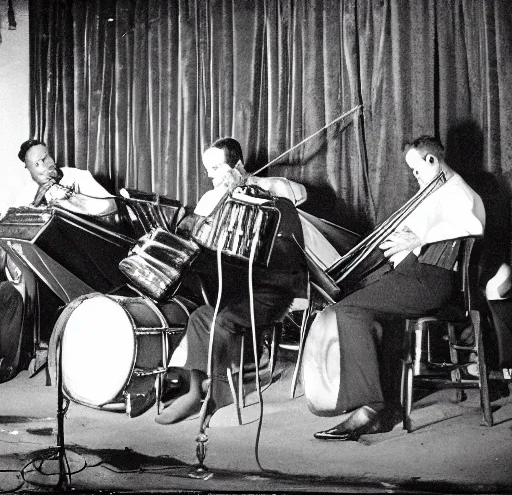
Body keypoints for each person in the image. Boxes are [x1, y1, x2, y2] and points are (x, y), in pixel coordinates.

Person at [313, 135, 486, 441]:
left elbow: (475, 227)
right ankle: (386, 407)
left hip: (428, 280)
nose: (415, 176)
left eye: (417, 169)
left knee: (347, 310)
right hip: (418, 275)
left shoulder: (458, 191)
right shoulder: (440, 189)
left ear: (432, 160)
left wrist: (420, 240)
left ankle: (372, 406)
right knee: (364, 312)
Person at [155, 137, 308, 424]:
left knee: (222, 321)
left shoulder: (270, 192)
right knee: (201, 316)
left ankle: (217, 395)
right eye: (207, 169)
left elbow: (299, 193)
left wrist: (250, 183)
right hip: (235, 285)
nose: (210, 175)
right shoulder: (211, 200)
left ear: (236, 165)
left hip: (272, 290)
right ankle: (194, 390)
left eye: (216, 168)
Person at [13, 139, 117, 217]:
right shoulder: (27, 192)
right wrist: (36, 205)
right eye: (37, 164)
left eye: (46, 157)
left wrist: (74, 199)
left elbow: (112, 206)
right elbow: (13, 224)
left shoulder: (79, 176)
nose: (47, 164)